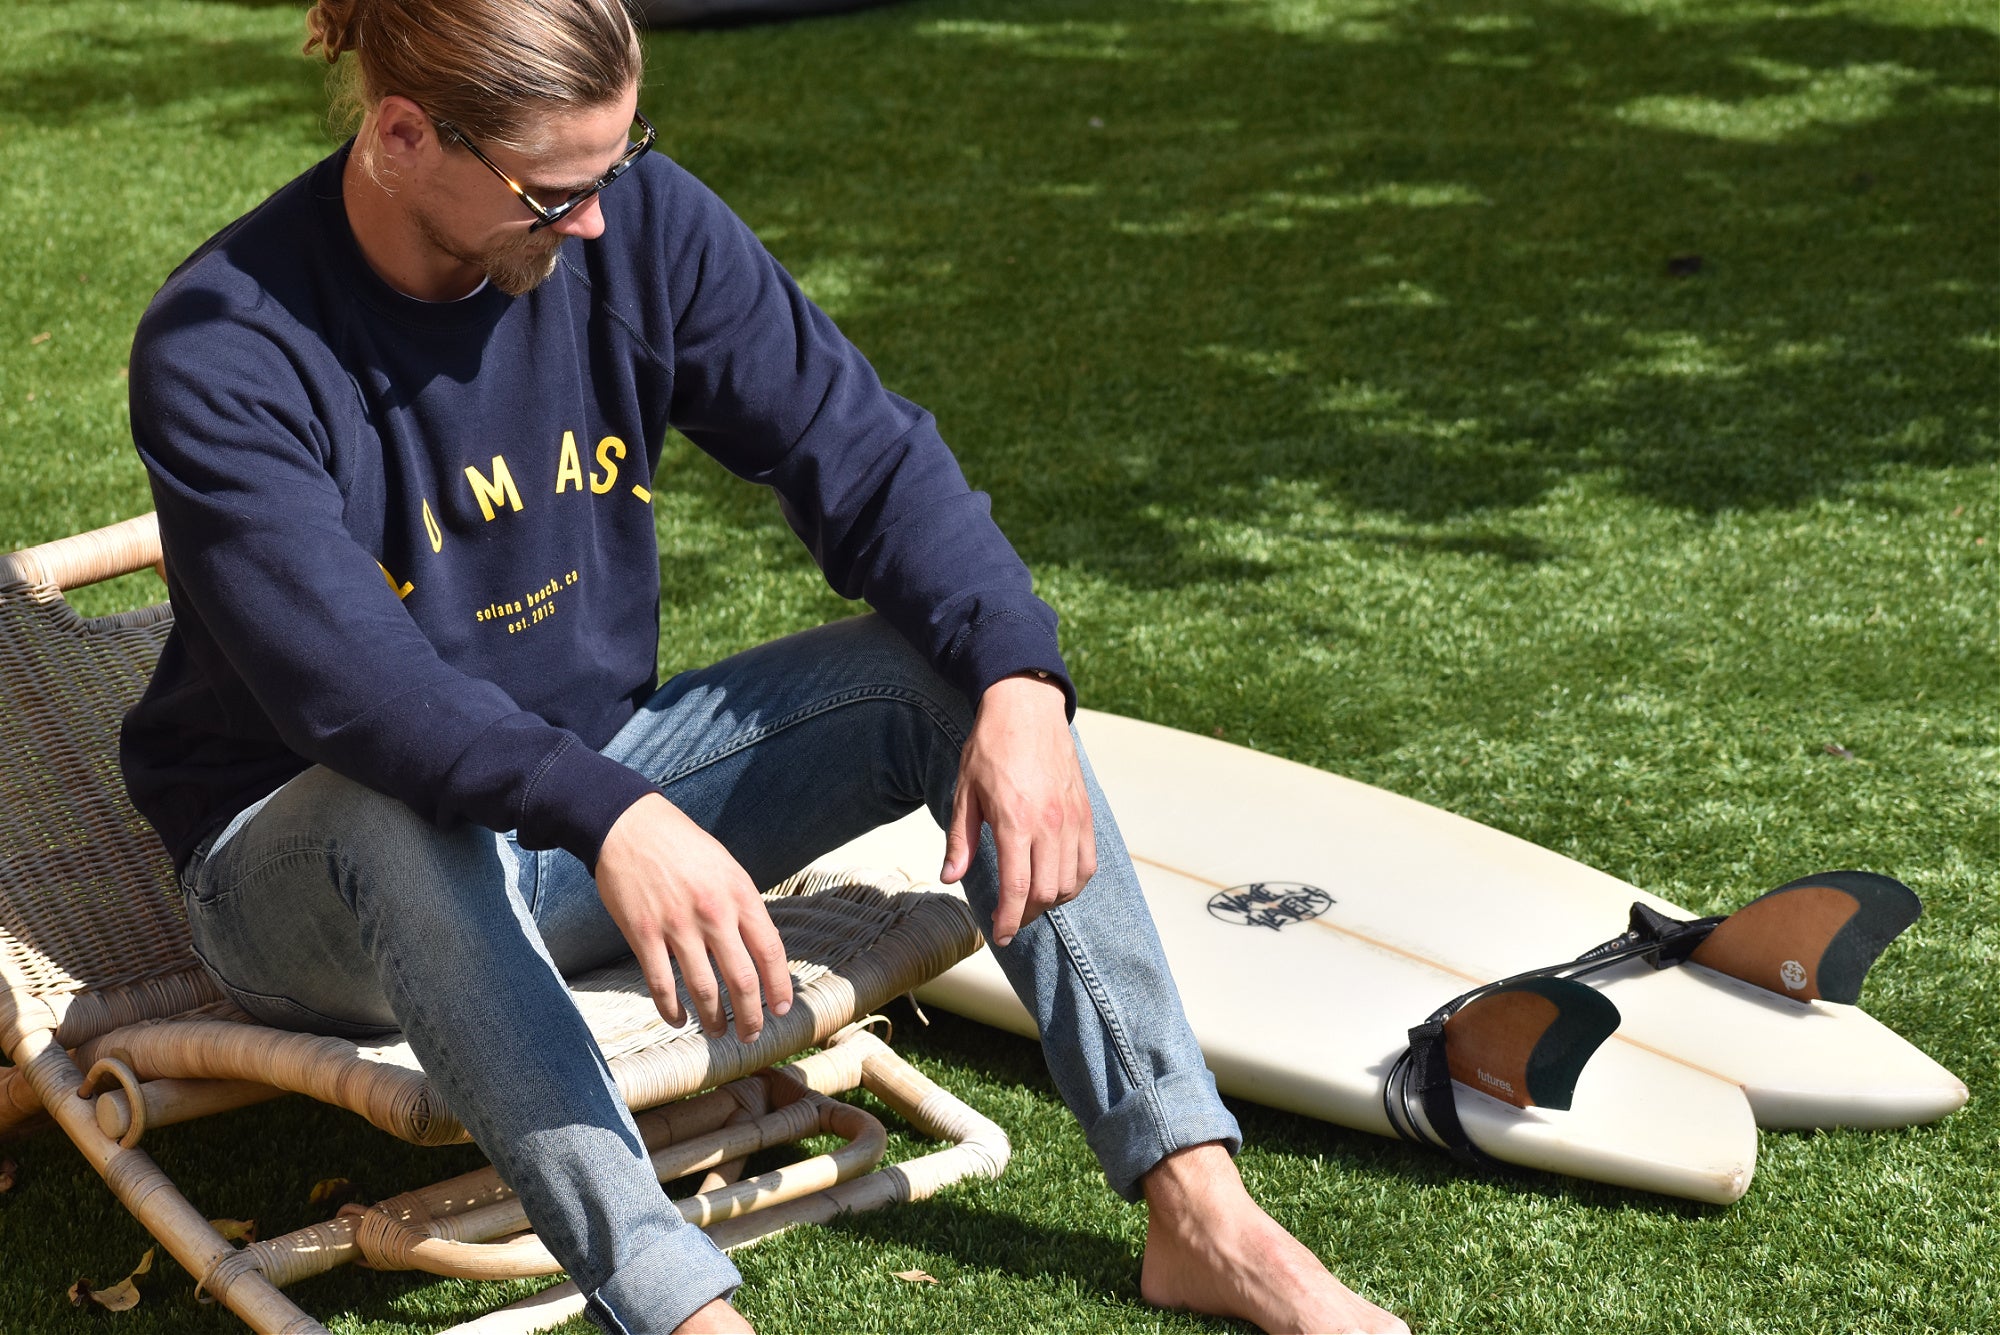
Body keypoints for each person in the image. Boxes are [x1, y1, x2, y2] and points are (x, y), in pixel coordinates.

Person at [118, 2, 1409, 1332]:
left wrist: (1022, 685)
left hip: (581, 806)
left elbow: (866, 456)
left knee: (953, 676)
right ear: (399, 137)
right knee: (400, 811)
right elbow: (359, 695)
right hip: (308, 866)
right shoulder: (225, 345)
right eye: (553, 194)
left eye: (619, 168)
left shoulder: (636, 225)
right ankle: (681, 1308)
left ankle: (1202, 1214)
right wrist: (611, 810)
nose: (598, 227)